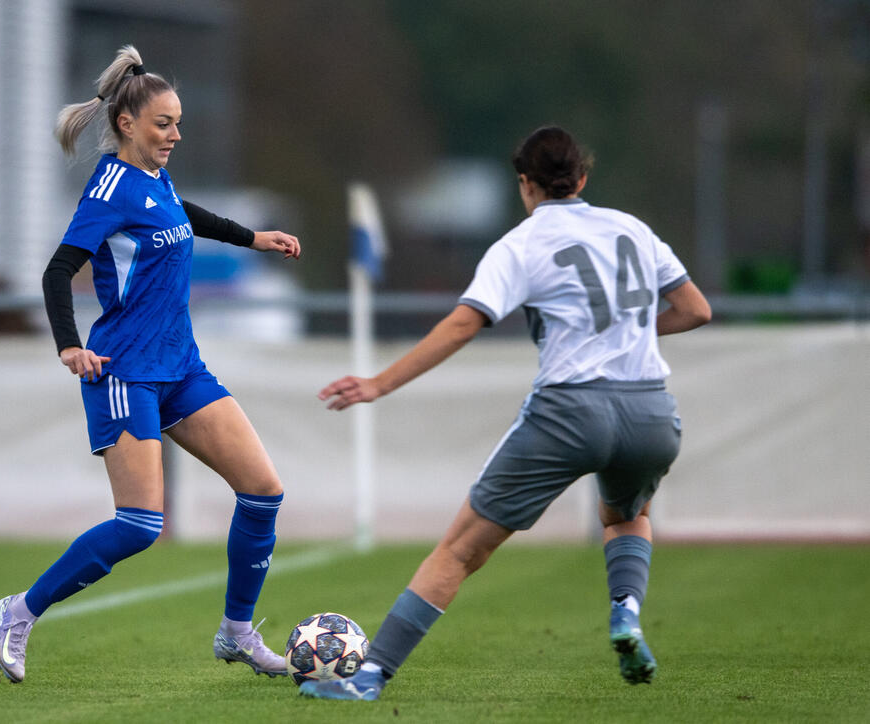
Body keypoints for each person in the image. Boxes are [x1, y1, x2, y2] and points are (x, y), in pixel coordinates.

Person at [300, 126, 711, 701]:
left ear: (525, 184)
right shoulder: (633, 230)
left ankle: (369, 677)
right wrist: (629, 330)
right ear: (582, 178)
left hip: (571, 410)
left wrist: (379, 383)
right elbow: (695, 309)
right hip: (650, 411)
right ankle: (625, 612)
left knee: (461, 549)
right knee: (624, 516)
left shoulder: (521, 244)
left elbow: (464, 323)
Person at [0, 45, 301, 684]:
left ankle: (236, 633)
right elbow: (57, 270)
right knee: (139, 525)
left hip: (181, 365)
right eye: (165, 124)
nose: (176, 135)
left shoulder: (156, 177)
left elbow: (180, 215)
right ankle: (20, 610)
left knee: (263, 492)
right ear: (128, 124)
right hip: (125, 370)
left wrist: (252, 238)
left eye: (179, 122)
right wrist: (68, 346)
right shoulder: (108, 186)